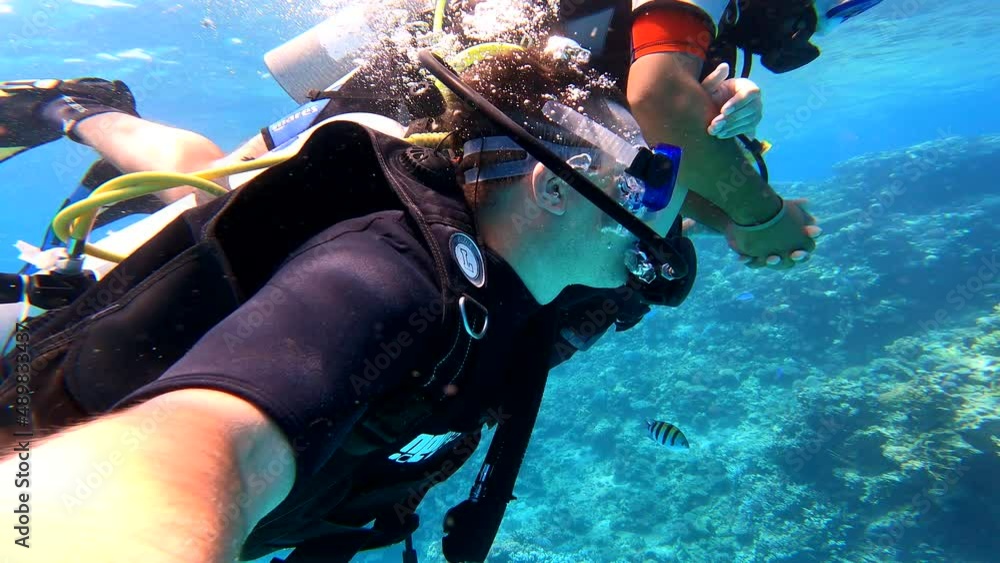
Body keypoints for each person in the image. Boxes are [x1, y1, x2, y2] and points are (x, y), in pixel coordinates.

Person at [0, 46, 696, 563]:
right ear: (549, 190)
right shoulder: (384, 279)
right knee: (196, 187)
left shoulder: (523, 290)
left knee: (201, 182)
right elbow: (187, 451)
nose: (656, 216)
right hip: (32, 435)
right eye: (642, 183)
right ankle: (75, 109)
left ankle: (86, 109)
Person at [0, 0, 878, 271]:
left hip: (469, 168)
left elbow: (639, 167)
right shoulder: (690, 11)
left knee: (219, 191)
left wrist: (728, 208)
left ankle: (80, 109)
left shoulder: (705, 37)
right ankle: (77, 110)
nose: (816, 23)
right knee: (212, 206)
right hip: (404, 133)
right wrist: (757, 215)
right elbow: (659, 105)